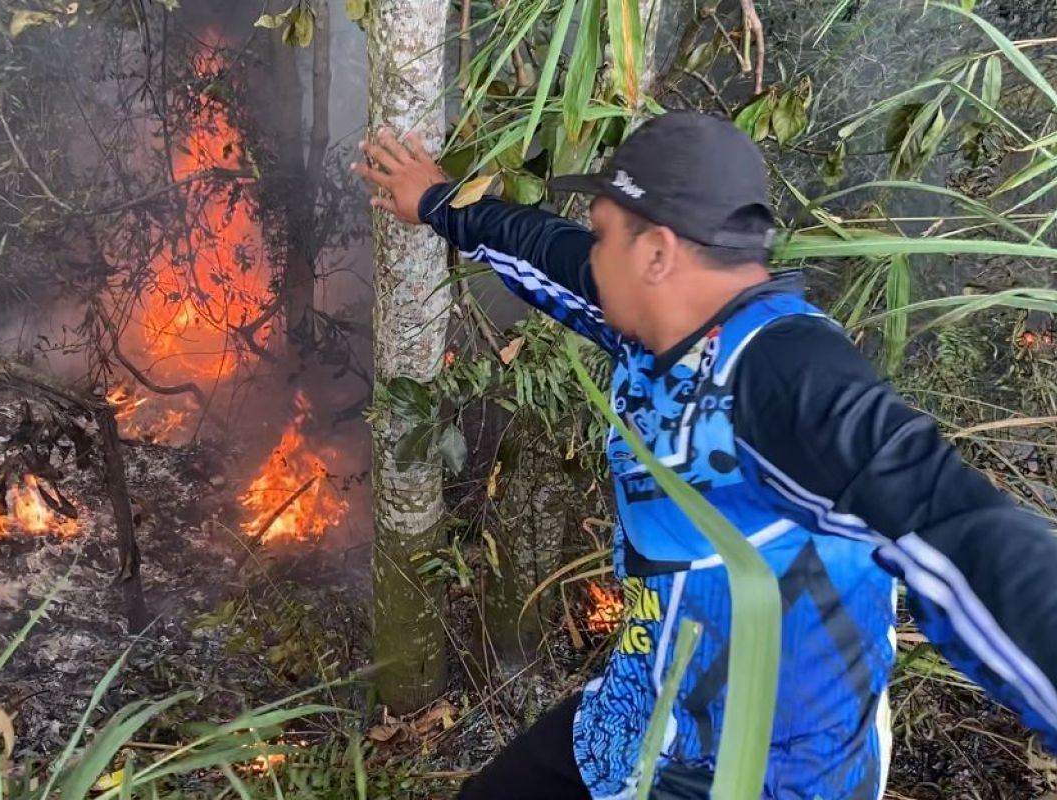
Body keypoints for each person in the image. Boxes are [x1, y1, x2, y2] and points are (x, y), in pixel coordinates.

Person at [351, 111, 1057, 800]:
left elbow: (959, 531)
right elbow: (547, 251)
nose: (591, 254)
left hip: (768, 767)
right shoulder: (657, 320)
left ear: (657, 253)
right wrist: (440, 204)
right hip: (640, 714)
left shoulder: (785, 370)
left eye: (604, 236)